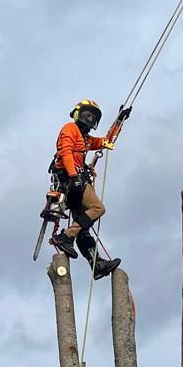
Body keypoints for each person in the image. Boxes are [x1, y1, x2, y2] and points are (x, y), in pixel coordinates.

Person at [49, 98, 128, 279]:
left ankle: (97, 264)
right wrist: (74, 176)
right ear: (78, 113)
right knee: (98, 208)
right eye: (88, 114)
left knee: (83, 230)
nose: (90, 119)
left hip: (74, 182)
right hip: (72, 181)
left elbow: (105, 142)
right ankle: (66, 237)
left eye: (94, 117)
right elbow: (66, 152)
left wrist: (119, 122)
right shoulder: (70, 128)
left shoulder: (85, 139)